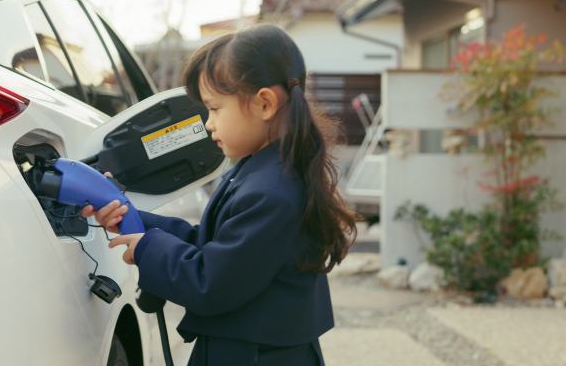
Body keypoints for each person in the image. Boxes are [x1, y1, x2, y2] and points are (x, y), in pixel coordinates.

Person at [82, 24, 359, 365]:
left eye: (214, 108)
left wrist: (148, 247)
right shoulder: (263, 171)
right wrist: (134, 220)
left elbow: (210, 283)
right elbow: (214, 244)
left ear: (265, 104)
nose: (208, 123)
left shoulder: (272, 192)